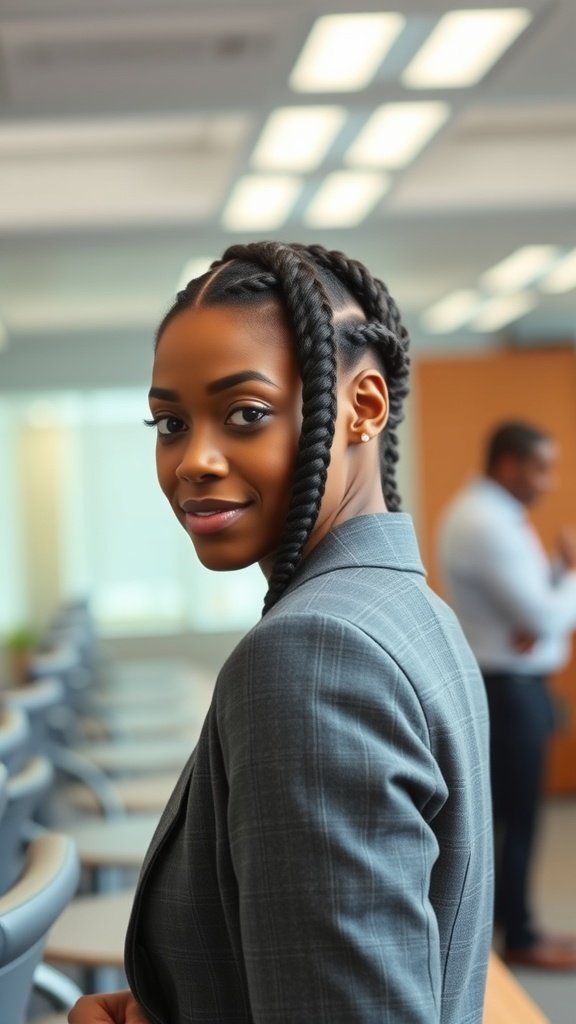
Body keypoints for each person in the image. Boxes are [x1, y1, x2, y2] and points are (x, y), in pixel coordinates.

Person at [69, 241, 493, 1024]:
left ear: (364, 407)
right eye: (169, 421)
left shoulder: (312, 656)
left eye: (246, 413)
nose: (193, 459)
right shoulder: (409, 611)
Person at [437, 420, 576, 971]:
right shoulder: (484, 519)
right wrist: (568, 582)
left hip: (517, 685)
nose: (549, 482)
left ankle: (517, 925)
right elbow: (541, 615)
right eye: (541, 468)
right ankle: (516, 936)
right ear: (509, 464)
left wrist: (556, 581)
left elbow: (538, 613)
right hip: (506, 690)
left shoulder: (497, 515)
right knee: (514, 819)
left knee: (515, 817)